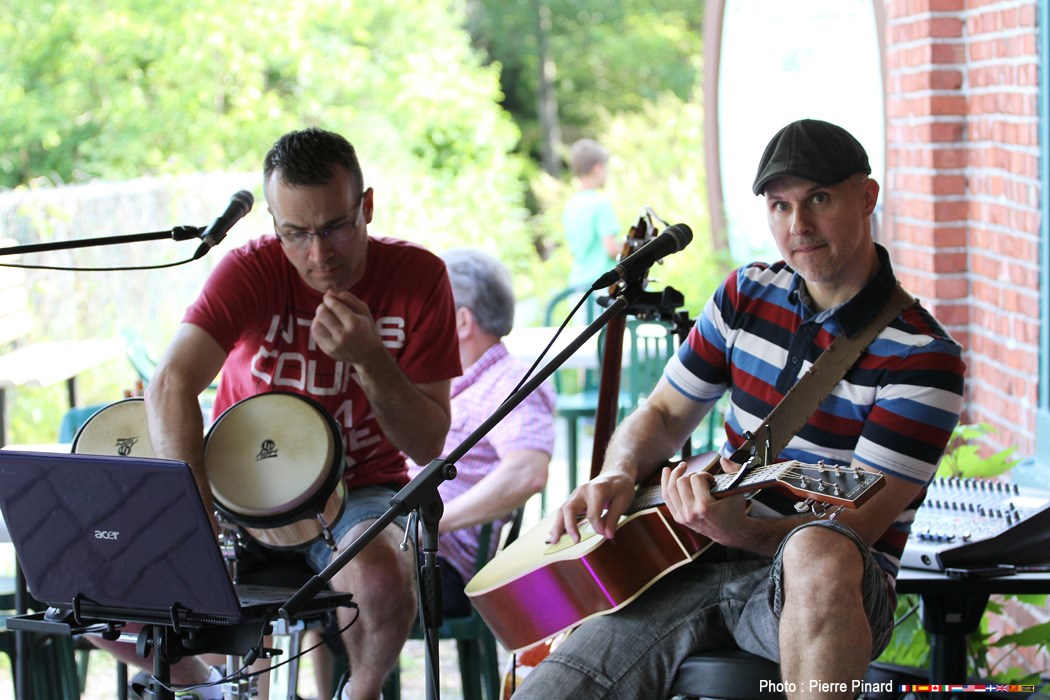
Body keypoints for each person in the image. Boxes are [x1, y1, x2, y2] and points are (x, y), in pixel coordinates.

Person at [514, 119, 966, 700]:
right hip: (693, 558)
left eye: (818, 199)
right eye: (779, 206)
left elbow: (856, 525)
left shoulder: (923, 356)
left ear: (867, 196)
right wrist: (618, 473)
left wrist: (748, 530)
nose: (797, 226)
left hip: (828, 584)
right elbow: (663, 412)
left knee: (819, 551)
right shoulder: (745, 293)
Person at [111, 127, 461, 700]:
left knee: (380, 578)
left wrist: (371, 360)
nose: (318, 256)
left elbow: (428, 445)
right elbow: (171, 382)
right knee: (94, 566)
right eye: (295, 234)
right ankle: (210, 691)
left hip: (359, 489)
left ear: (366, 207)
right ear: (273, 223)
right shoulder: (250, 270)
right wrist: (194, 521)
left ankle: (361, 692)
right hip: (234, 487)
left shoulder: (419, 278)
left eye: (334, 228)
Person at [407, 248, 555, 615]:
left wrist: (432, 525)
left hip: (441, 564)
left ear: (460, 321)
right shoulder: (459, 383)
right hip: (406, 545)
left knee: (344, 574)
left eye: (428, 314)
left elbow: (527, 471)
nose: (418, 325)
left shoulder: (509, 381)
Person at [563, 138, 622, 290]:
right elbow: (611, 249)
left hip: (577, 287)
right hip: (600, 287)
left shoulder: (571, 205)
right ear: (598, 168)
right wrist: (636, 249)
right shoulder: (600, 203)